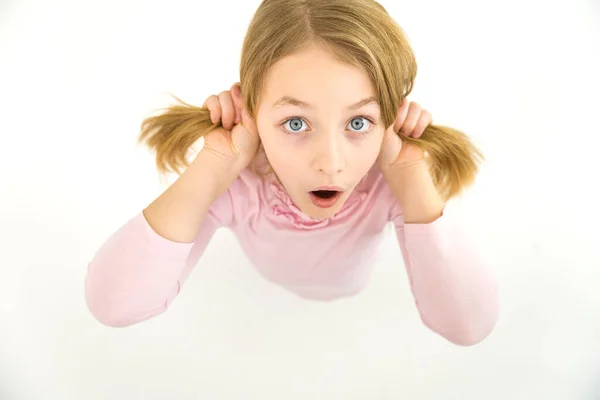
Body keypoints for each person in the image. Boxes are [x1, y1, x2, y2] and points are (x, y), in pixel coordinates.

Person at [84, 0, 499, 346]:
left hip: (353, 293)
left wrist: (410, 178)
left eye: (358, 123)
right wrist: (212, 169)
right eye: (296, 123)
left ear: (388, 120)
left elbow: (468, 326)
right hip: (263, 287)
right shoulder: (237, 183)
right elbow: (113, 305)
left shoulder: (389, 182)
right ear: (253, 113)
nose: (330, 162)